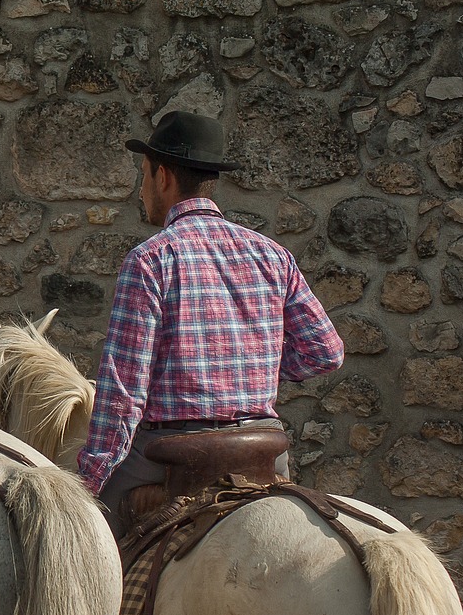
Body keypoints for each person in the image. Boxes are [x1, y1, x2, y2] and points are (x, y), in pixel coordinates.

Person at [78, 110, 343, 535]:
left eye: (143, 176)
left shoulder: (150, 260)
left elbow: (123, 395)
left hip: (174, 453)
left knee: (85, 553)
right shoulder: (273, 255)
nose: (141, 189)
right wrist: (253, 369)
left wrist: (88, 483)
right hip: (262, 449)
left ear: (163, 176)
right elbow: (326, 352)